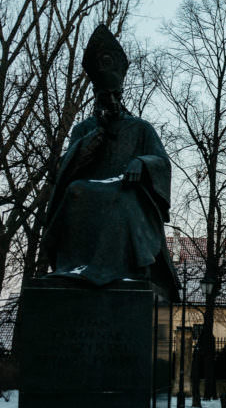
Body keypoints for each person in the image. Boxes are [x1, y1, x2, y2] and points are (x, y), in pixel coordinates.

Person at [40, 25, 176, 292]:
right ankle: (73, 268)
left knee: (125, 199)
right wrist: (88, 145)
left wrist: (142, 163)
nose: (110, 101)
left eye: (114, 96)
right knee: (74, 191)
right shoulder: (84, 129)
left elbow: (162, 162)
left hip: (127, 192)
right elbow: (65, 168)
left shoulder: (140, 128)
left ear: (122, 96)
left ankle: (120, 271)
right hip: (87, 188)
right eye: (104, 97)